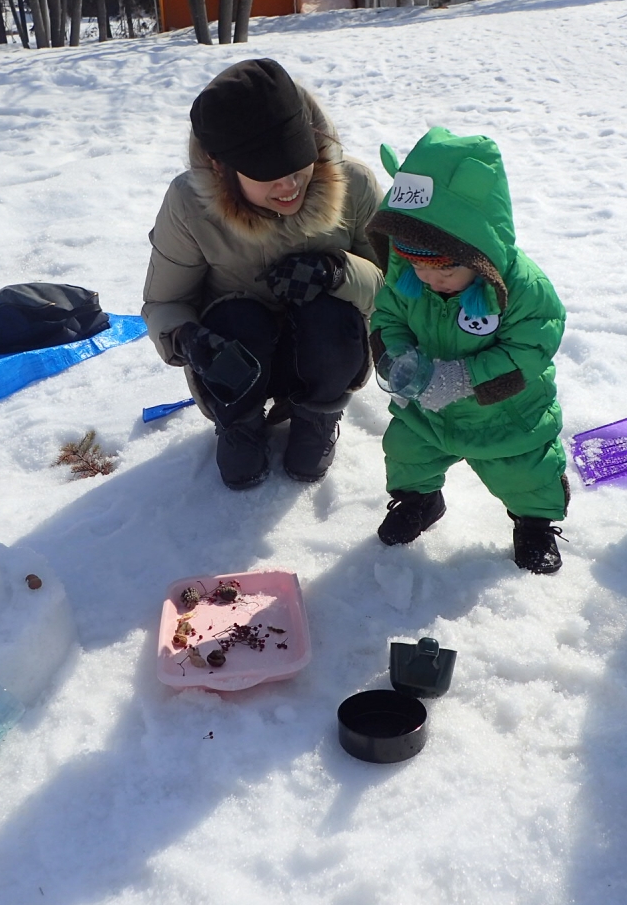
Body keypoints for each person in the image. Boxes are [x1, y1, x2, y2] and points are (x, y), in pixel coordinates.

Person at [142, 59, 384, 490]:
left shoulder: (354, 185)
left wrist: (336, 271)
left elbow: (394, 292)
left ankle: (318, 419)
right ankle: (241, 426)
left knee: (331, 312)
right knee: (239, 320)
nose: (290, 185)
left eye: (298, 165)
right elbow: (164, 301)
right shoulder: (188, 204)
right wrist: (185, 338)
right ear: (222, 169)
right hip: (238, 363)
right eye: (268, 176)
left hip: (322, 354)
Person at [366, 127, 569, 573]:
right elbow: (388, 318)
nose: (428, 278)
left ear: (479, 254)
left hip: (505, 414)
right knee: (405, 451)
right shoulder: (407, 278)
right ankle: (420, 501)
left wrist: (462, 379)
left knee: (525, 473)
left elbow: (530, 346)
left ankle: (533, 525)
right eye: (417, 264)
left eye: (445, 269)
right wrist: (397, 356)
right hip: (427, 411)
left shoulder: (523, 290)